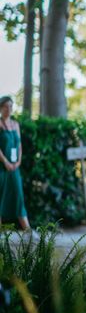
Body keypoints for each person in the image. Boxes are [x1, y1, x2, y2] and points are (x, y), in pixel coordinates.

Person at [0, 96, 30, 230]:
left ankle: (28, 231)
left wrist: (18, 161)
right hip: (1, 166)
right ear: (1, 108)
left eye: (11, 106)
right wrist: (5, 161)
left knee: (18, 195)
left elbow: (19, 145)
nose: (9, 109)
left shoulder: (15, 124)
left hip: (14, 167)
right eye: (6, 106)